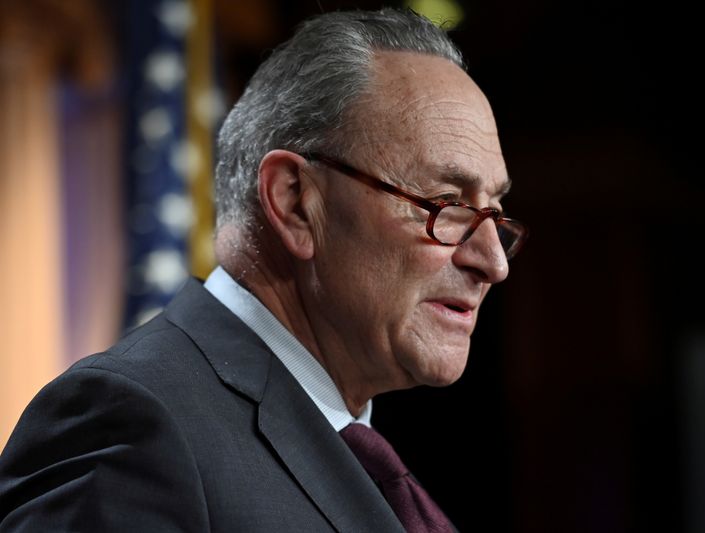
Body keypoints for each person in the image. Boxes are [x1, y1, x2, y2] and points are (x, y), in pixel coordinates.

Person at [0, 8, 526, 532]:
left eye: (494, 213)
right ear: (296, 202)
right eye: (445, 203)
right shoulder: (131, 424)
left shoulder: (361, 454)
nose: (493, 262)